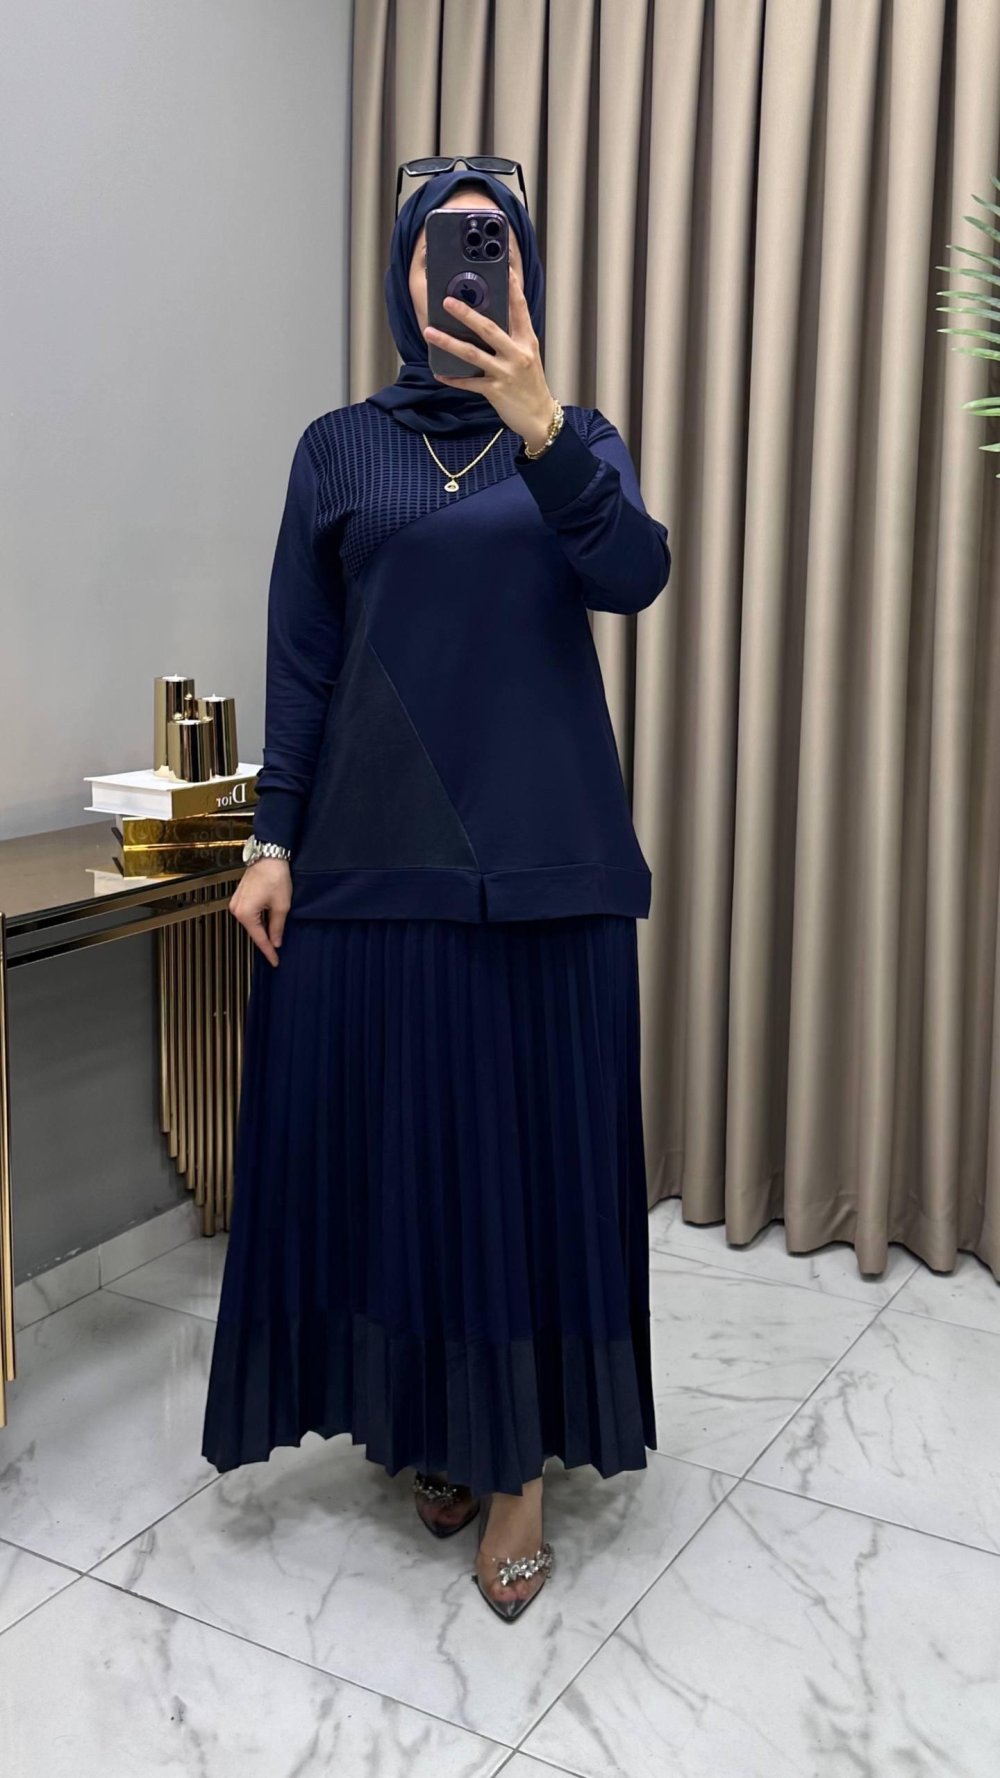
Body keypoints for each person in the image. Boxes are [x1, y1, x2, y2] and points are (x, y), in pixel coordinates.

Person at [201, 165, 671, 1623]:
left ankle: (515, 1469)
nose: (469, 268)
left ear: (522, 274)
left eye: (495, 243)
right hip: (374, 861)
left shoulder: (575, 435)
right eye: (445, 247)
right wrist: (271, 840)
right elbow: (302, 656)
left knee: (522, 1171)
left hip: (545, 871)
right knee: (410, 1162)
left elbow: (634, 574)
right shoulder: (339, 448)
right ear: (406, 276)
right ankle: (432, 1422)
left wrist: (542, 429)